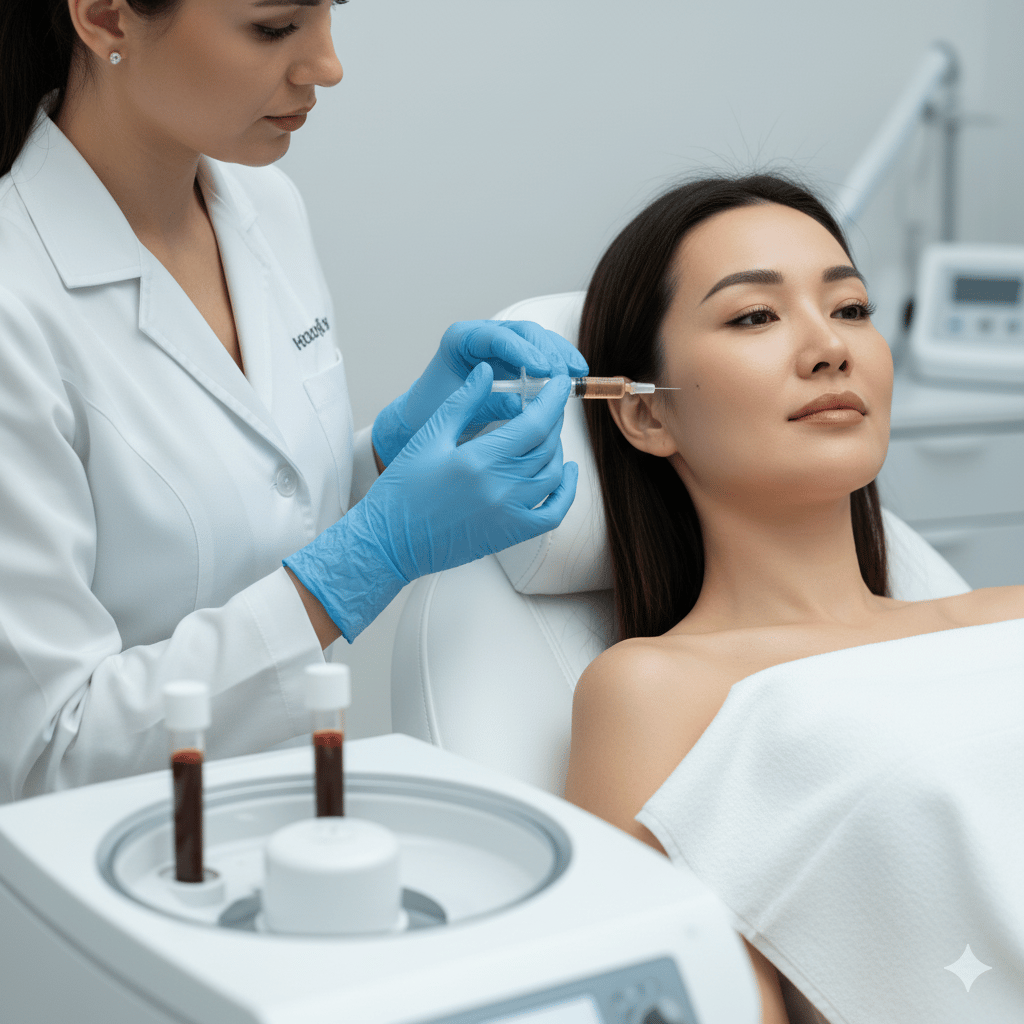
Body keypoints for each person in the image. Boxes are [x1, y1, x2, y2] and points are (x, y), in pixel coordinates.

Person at [0, 0, 588, 802]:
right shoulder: (15, 298)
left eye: (328, 15)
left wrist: (385, 455)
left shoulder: (265, 208)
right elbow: (43, 753)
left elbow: (256, 512)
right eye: (275, 28)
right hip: (102, 867)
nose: (327, 66)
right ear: (106, 18)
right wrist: (363, 563)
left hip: (297, 815)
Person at [562, 174, 1024, 1024]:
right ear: (644, 416)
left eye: (850, 309)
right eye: (753, 317)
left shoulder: (1012, 617)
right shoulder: (655, 691)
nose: (829, 348)